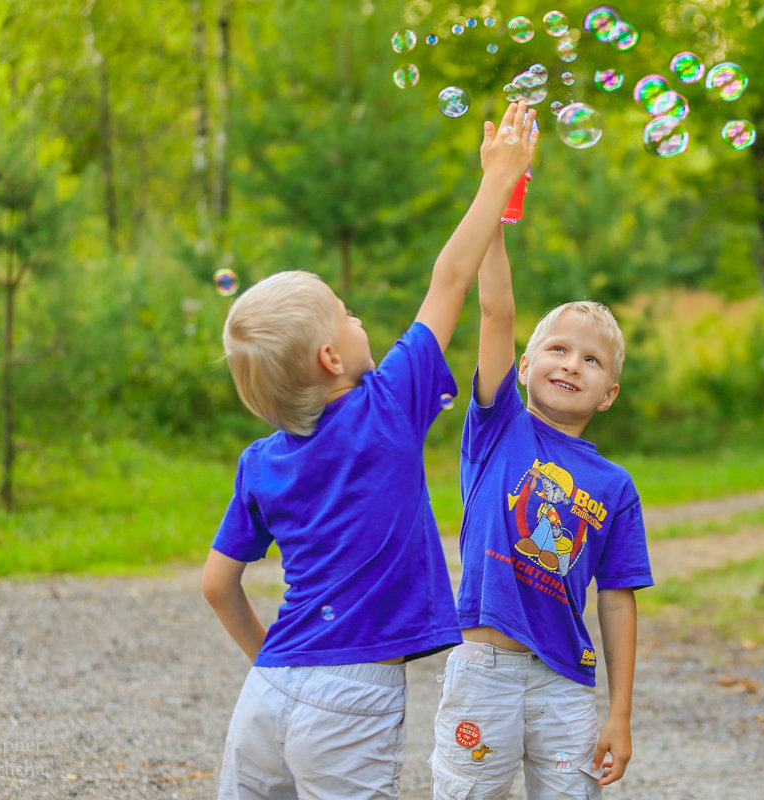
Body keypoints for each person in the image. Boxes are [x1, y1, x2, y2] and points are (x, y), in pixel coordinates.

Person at [201, 101, 539, 800]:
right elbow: (449, 282)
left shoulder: (259, 462)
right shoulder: (386, 406)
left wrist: (272, 660)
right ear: (332, 357)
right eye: (345, 311)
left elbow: (217, 584)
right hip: (350, 691)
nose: (357, 317)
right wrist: (496, 181)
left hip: (267, 689)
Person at [430, 217, 653, 797]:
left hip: (566, 684)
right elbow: (495, 311)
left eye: (591, 360)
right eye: (557, 349)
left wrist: (619, 713)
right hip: (484, 672)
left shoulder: (615, 484)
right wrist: (499, 214)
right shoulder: (497, 427)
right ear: (523, 367)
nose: (572, 364)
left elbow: (619, 597)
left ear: (608, 395)